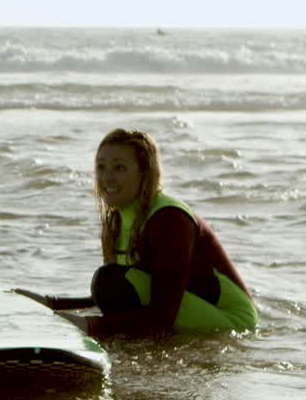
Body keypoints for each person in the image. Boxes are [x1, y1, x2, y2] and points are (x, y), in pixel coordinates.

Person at [16, 128, 258, 336]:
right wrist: (50, 304)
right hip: (177, 310)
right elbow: (127, 298)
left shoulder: (169, 219)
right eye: (101, 167)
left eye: (119, 168)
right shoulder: (118, 219)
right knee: (108, 282)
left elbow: (162, 315)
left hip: (231, 323)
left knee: (108, 282)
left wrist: (88, 326)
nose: (107, 177)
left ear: (144, 173)